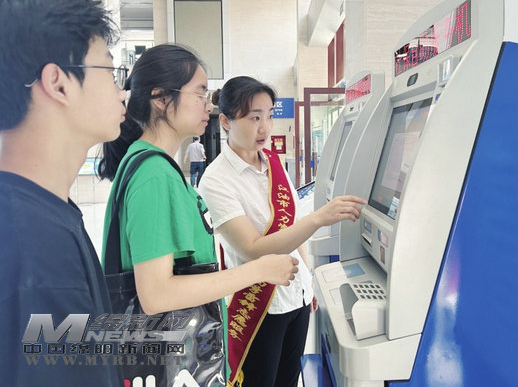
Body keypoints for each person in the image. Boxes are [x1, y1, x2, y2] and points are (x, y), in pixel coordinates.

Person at [97, 44, 299, 382]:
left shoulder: (153, 166)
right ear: (160, 98)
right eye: (200, 93)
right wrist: (259, 270)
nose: (208, 105)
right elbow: (156, 294)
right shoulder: (155, 175)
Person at [199, 76, 366, 387]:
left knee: (289, 381)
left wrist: (308, 278)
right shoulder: (216, 180)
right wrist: (319, 218)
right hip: (260, 306)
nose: (265, 128)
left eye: (269, 116)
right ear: (225, 121)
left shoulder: (274, 163)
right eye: (254, 118)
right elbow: (252, 248)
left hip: (296, 298)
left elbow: (292, 226)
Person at [0, 0, 125, 386]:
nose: (121, 90)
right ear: (58, 83)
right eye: (110, 71)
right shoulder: (36, 248)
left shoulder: (41, 214)